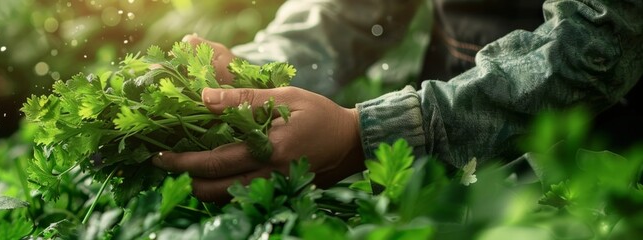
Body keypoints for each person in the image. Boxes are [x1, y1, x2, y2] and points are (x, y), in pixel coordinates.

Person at [151, 0, 643, 202]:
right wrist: (251, 75)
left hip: (610, 160)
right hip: (450, 131)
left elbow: (594, 42)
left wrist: (368, 135)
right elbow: (350, 11)